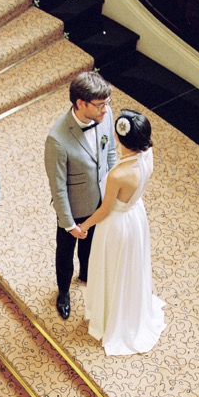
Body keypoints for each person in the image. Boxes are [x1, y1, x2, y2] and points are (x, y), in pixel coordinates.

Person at [80, 109, 166, 356]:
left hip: (117, 224)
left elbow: (105, 210)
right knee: (129, 266)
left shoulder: (118, 174)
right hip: (135, 215)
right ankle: (128, 308)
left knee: (111, 267)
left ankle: (109, 315)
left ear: (120, 139)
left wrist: (83, 227)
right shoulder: (148, 154)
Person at [44, 71, 117, 319]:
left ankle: (86, 274)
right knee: (65, 254)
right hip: (73, 208)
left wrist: (112, 192)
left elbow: (111, 155)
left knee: (92, 245)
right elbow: (58, 186)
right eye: (99, 105)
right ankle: (63, 292)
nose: (105, 110)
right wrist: (68, 223)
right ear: (80, 103)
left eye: (107, 103)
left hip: (100, 202)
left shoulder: (105, 116)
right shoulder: (57, 139)